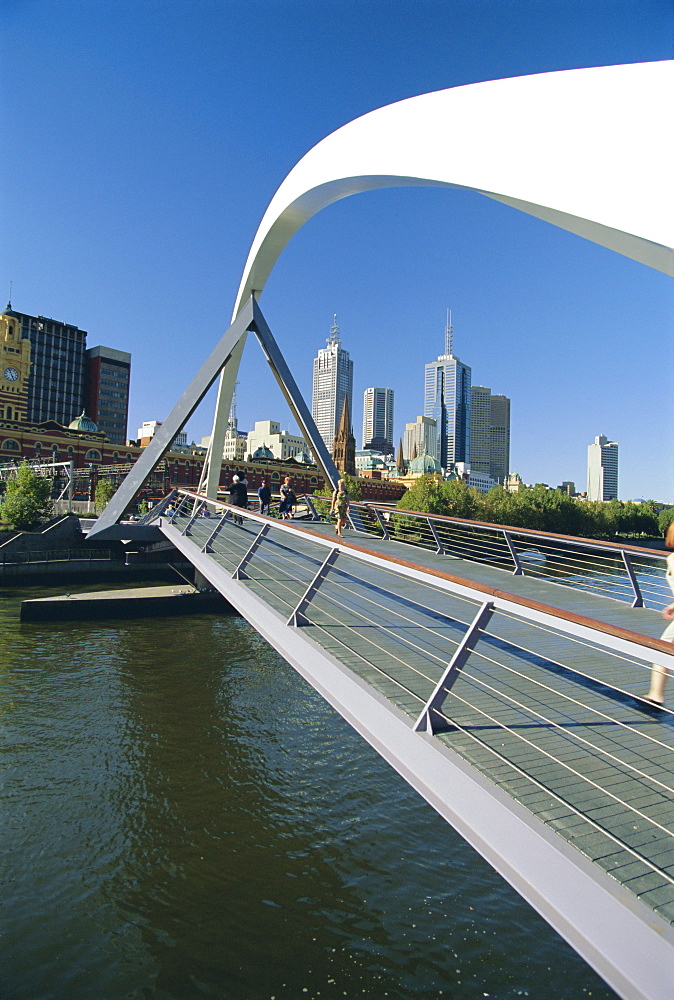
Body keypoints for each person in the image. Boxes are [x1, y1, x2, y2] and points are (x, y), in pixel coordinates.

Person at [645, 520, 674, 707]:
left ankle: (656, 695)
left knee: (663, 647)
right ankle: (656, 695)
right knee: (663, 646)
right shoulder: (671, 559)